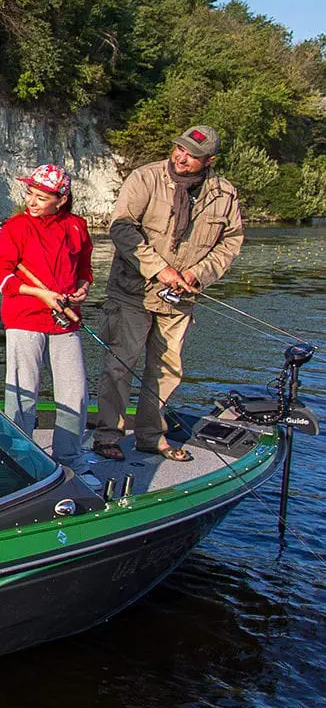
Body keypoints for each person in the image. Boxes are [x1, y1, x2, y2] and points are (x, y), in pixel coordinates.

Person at [93, 124, 243, 463]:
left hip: (181, 298)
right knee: (120, 365)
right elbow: (121, 227)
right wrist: (160, 269)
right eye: (179, 148)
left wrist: (196, 274)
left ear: (210, 160)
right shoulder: (145, 178)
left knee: (166, 370)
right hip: (132, 291)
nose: (181, 156)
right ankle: (107, 435)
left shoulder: (225, 193)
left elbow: (230, 243)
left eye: (192, 155)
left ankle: (150, 436)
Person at [0, 163, 93, 466]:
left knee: (75, 395)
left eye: (41, 197)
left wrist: (83, 288)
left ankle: (71, 460)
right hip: (24, 319)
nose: (31, 202)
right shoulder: (16, 227)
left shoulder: (77, 226)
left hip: (65, 320)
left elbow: (85, 269)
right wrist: (40, 294)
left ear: (61, 199)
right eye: (30, 194)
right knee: (22, 394)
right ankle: (19, 460)